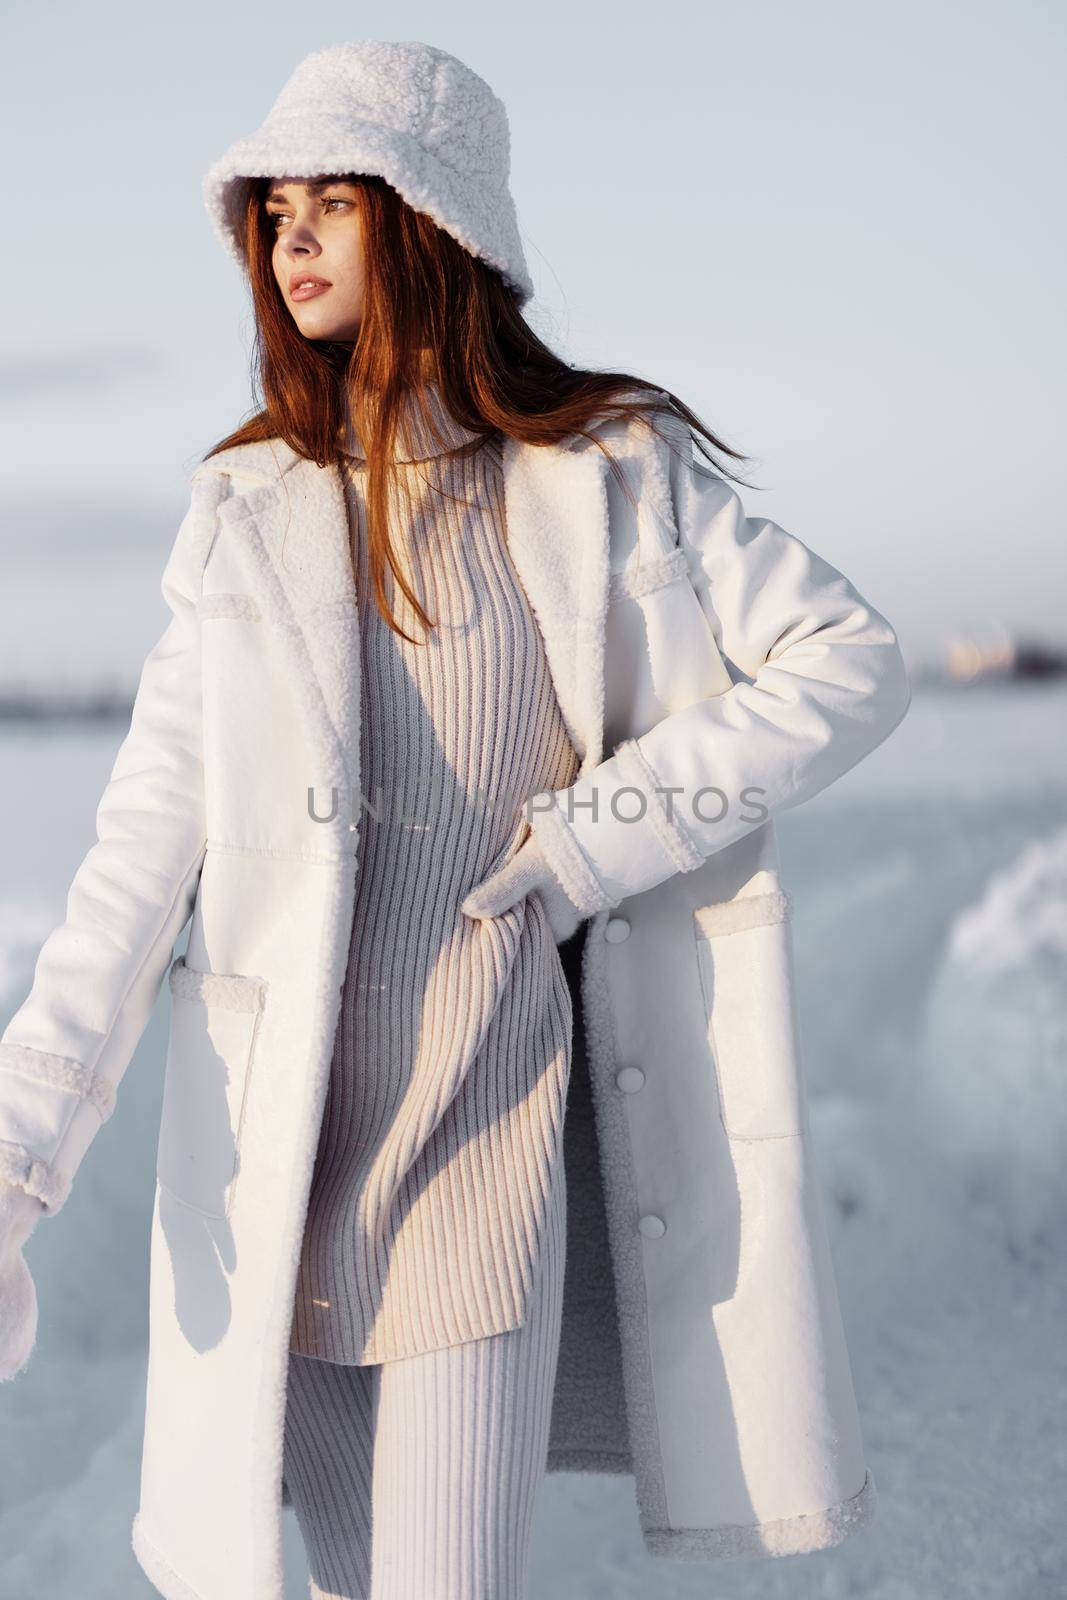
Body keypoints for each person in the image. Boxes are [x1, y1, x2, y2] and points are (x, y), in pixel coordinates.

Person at [0, 39, 910, 1600]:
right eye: (271, 208)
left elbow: (854, 662)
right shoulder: (244, 515)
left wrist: (591, 842)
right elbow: (133, 870)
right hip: (286, 1170)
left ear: (434, 222)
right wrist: (17, 1168)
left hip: (486, 1157)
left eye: (330, 204)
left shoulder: (609, 474)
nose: (287, 242)